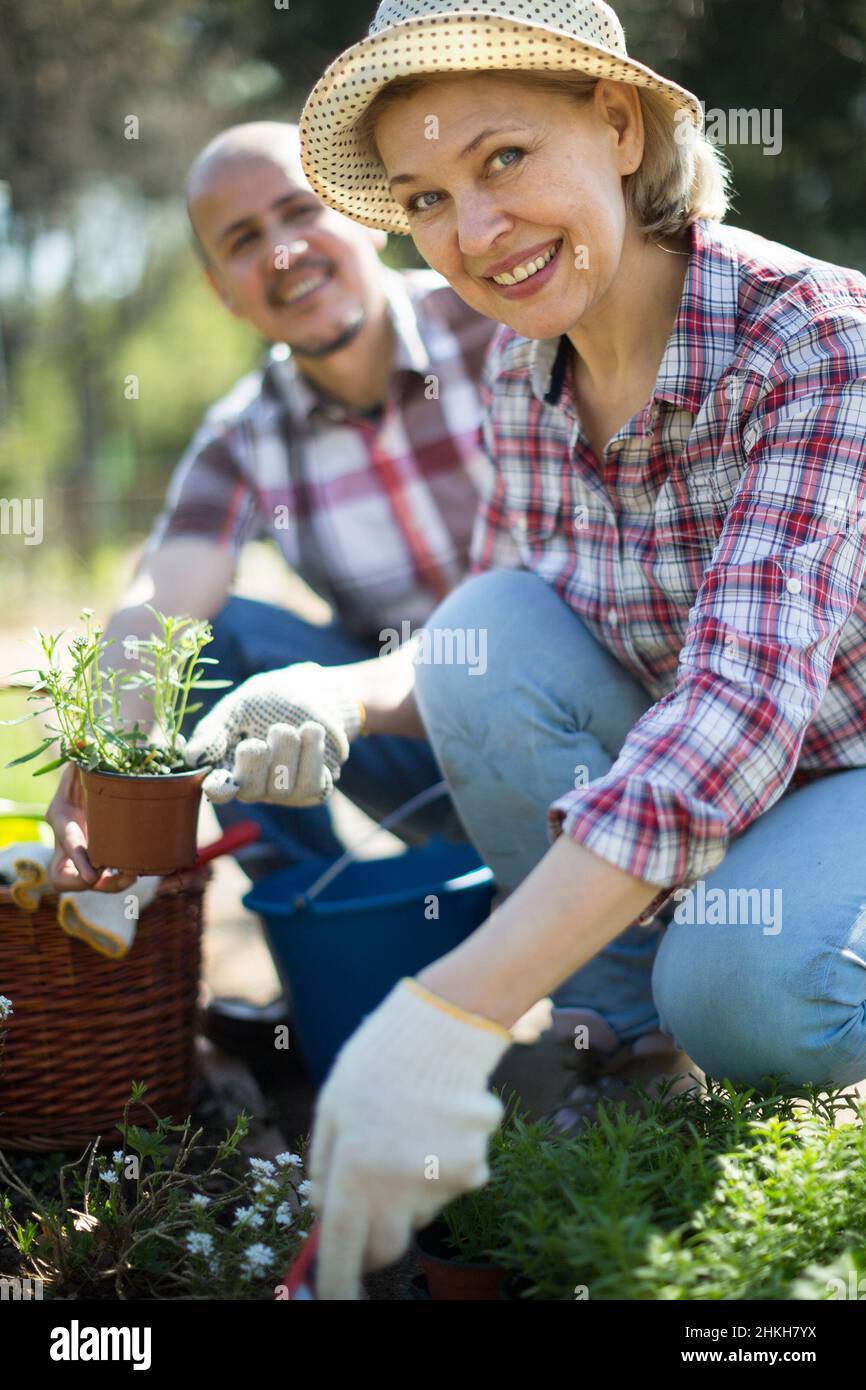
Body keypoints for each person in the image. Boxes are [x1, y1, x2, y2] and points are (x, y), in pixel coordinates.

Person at [185, 0, 866, 1297]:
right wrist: (336, 691)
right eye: (426, 197)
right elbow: (483, 638)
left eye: (503, 159)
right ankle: (619, 1057)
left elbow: (735, 705)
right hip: (704, 790)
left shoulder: (813, 338)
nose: (475, 232)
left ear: (616, 124)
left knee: (749, 994)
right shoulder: (518, 372)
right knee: (486, 625)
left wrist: (451, 1008)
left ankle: (735, 991)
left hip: (840, 771)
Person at [46, 120, 499, 917]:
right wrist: (97, 757)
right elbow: (162, 596)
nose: (284, 252)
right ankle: (326, 926)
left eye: (300, 211)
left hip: (574, 730)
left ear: (365, 211)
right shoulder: (242, 435)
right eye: (245, 240)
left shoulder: (496, 327)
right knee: (208, 642)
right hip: (409, 748)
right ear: (223, 291)